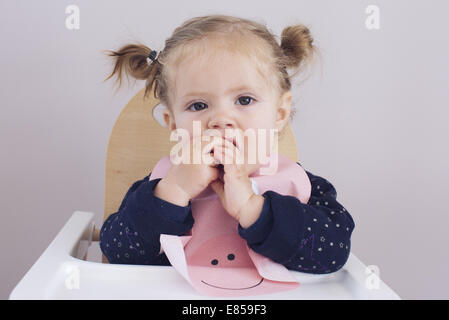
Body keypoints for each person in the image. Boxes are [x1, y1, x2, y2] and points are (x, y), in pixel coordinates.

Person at [99, 14, 355, 274]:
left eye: (244, 100)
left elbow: (333, 254)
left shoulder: (299, 186)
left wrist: (254, 209)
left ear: (279, 113)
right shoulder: (161, 187)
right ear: (174, 125)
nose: (220, 120)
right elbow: (117, 252)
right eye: (198, 105)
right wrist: (173, 192)